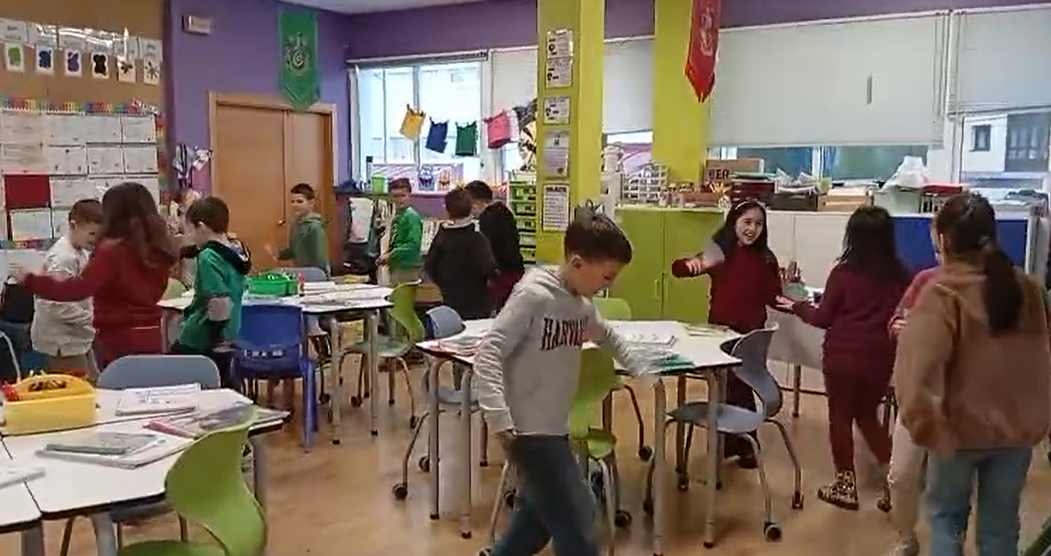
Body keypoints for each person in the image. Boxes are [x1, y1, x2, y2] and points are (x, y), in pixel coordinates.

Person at [474, 213, 654, 556]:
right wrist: (498, 418)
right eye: (607, 277)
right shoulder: (534, 295)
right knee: (576, 517)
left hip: (553, 426)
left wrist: (642, 369)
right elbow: (489, 353)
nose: (608, 286)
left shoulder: (579, 305)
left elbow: (608, 336)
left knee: (539, 518)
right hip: (526, 430)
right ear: (578, 263)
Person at [896, 192, 1051, 556]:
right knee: (1001, 531)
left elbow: (918, 371)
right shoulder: (1028, 288)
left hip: (957, 433)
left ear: (944, 240)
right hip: (1016, 433)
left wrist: (925, 427)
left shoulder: (942, 293)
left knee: (946, 521)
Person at [775, 206, 909, 511]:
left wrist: (797, 306)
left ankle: (845, 486)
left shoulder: (844, 273)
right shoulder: (902, 275)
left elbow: (822, 318)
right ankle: (896, 483)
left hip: (842, 358)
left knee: (841, 417)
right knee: (867, 416)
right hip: (880, 358)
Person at [15, 182, 178, 370]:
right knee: (147, 382)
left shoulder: (112, 251)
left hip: (118, 338)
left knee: (118, 385)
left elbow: (78, 289)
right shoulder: (158, 248)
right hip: (152, 332)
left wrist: (31, 281)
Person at [671, 199, 781, 468]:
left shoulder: (766, 259)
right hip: (719, 333)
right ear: (734, 223)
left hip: (749, 336)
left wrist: (799, 303)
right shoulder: (720, 253)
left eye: (758, 224)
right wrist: (695, 264)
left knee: (740, 385)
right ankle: (732, 442)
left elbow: (774, 296)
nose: (752, 229)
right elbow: (679, 269)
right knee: (723, 386)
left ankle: (745, 443)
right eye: (747, 222)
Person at [884, 263, 942, 556]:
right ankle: (906, 536)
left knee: (947, 489)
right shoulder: (925, 279)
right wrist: (898, 325)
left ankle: (947, 545)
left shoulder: (985, 286)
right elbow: (895, 318)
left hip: (958, 401)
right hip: (916, 394)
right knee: (900, 474)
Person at [170, 197, 251, 387]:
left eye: (190, 230)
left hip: (204, 336)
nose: (189, 236)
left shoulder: (208, 257)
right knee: (222, 382)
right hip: (230, 331)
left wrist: (214, 338)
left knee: (176, 379)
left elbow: (219, 302)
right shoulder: (237, 251)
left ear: (201, 227)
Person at [30, 199, 103, 377]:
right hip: (62, 342)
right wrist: (92, 319)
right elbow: (54, 304)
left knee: (94, 380)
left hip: (77, 337)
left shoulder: (81, 250)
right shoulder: (63, 258)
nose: (96, 240)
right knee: (79, 386)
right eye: (92, 234)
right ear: (73, 226)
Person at [424, 188, 496, 319]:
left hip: (448, 301)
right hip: (477, 304)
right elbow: (488, 268)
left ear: (447, 210)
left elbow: (429, 266)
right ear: (471, 208)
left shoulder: (441, 237)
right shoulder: (477, 239)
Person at [466, 180, 524, 309]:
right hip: (515, 268)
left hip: (501, 274)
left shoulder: (487, 218)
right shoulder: (503, 211)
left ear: (477, 201)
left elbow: (488, 250)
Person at [270, 183, 328, 275]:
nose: (295, 205)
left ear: (311, 203)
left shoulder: (315, 227)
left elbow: (320, 260)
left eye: (299, 201)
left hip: (317, 272)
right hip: (303, 271)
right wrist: (279, 254)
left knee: (279, 273)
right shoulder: (296, 225)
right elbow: (294, 251)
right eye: (292, 201)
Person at [381, 178, 423, 285]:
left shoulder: (411, 216)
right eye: (395, 196)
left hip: (406, 266)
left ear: (409, 195)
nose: (399, 200)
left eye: (403, 196)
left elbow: (413, 244)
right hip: (395, 264)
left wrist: (391, 255)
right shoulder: (397, 215)